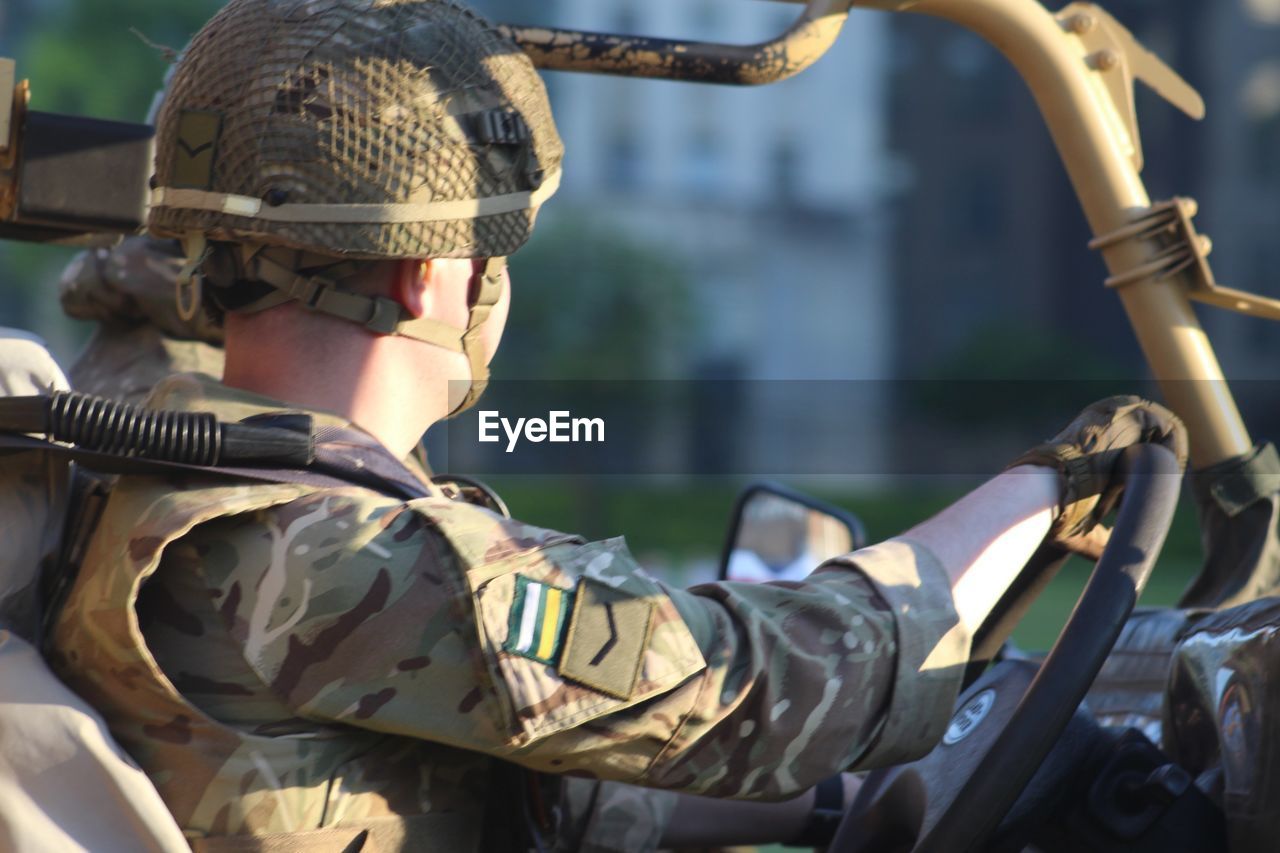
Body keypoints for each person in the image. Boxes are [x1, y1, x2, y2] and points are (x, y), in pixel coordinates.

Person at [46, 1, 1188, 850]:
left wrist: (832, 806)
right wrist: (1046, 488)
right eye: (492, 251)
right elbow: (759, 687)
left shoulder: (127, 441)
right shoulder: (338, 564)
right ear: (422, 277)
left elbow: (506, 763)